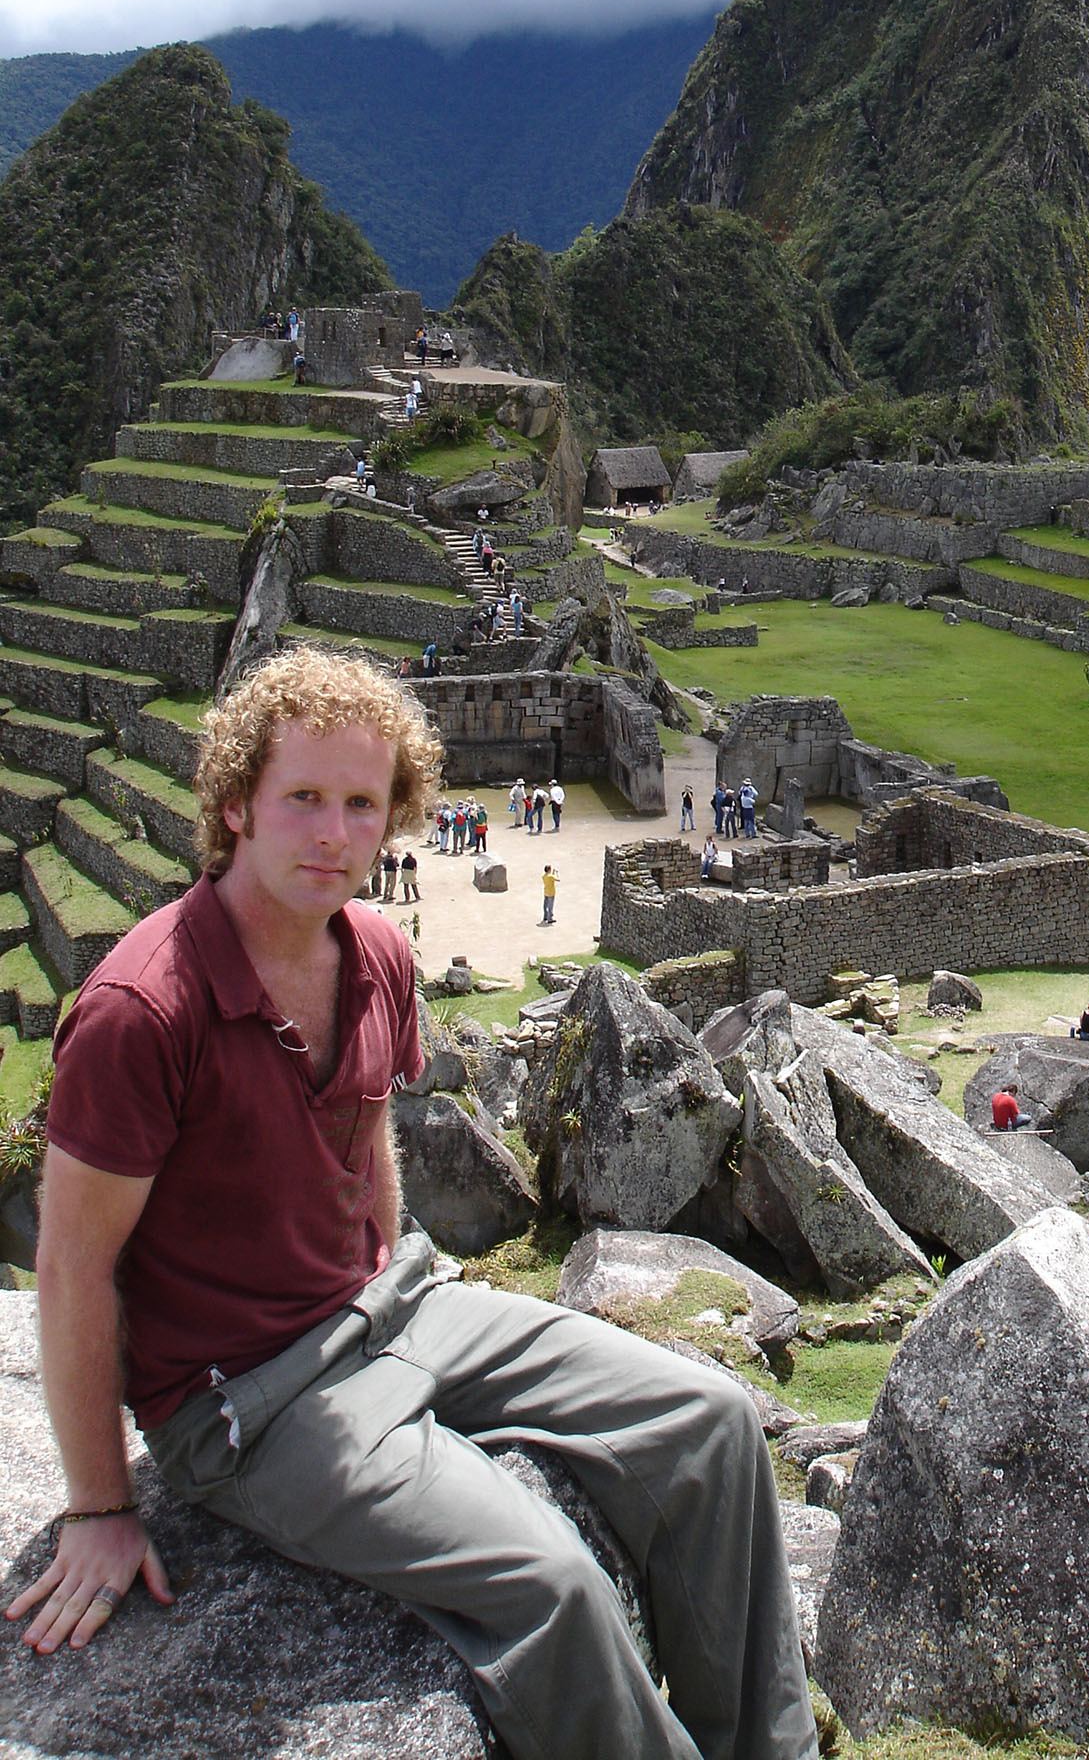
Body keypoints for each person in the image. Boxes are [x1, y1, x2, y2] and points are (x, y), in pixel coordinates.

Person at [6, 647, 812, 1757]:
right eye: (302, 798)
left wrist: (387, 1258)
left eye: (361, 802)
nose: (334, 832)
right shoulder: (143, 1011)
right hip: (247, 1398)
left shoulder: (376, 951)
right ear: (235, 803)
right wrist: (100, 1508)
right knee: (553, 1584)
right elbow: (72, 1266)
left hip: (391, 1307)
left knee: (712, 1427)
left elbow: (365, 1114)